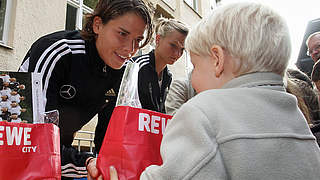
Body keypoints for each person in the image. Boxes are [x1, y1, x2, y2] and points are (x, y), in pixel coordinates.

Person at [106, 2, 320, 179]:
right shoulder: (297, 119)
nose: (193, 79)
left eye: (196, 67)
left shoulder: (202, 112)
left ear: (217, 60)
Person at [18, 0, 153, 179]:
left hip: (61, 154)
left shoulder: (122, 71)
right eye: (122, 34)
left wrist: (106, 165)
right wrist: (87, 162)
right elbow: (34, 137)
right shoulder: (59, 51)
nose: (130, 49)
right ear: (97, 25)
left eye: (138, 40)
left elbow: (109, 138)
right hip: (17, 152)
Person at [133, 17, 189, 113]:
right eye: (173, 45)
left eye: (182, 49)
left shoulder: (168, 76)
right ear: (158, 39)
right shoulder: (137, 67)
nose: (177, 54)